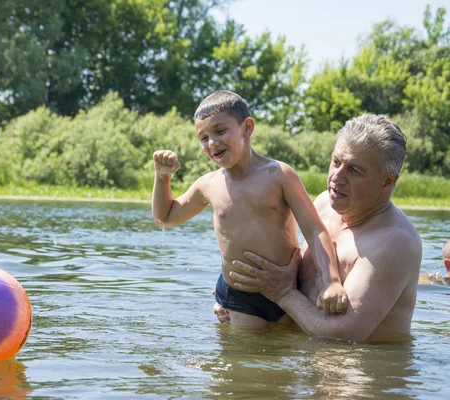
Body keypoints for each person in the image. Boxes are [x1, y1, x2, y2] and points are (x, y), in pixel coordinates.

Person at [215, 114, 423, 341]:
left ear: (387, 181)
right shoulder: (325, 204)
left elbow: (343, 333)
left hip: (362, 369)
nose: (337, 177)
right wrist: (241, 304)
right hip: (304, 357)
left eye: (355, 170)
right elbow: (295, 285)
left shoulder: (395, 242)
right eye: (336, 162)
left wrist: (281, 293)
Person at [152, 90, 348, 329]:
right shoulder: (209, 184)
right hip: (241, 294)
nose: (212, 143)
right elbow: (166, 217)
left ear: (247, 128)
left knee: (286, 355)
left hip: (286, 285)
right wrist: (162, 177)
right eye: (203, 137)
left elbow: (314, 230)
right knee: (243, 359)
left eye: (220, 131)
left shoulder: (278, 175)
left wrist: (332, 282)